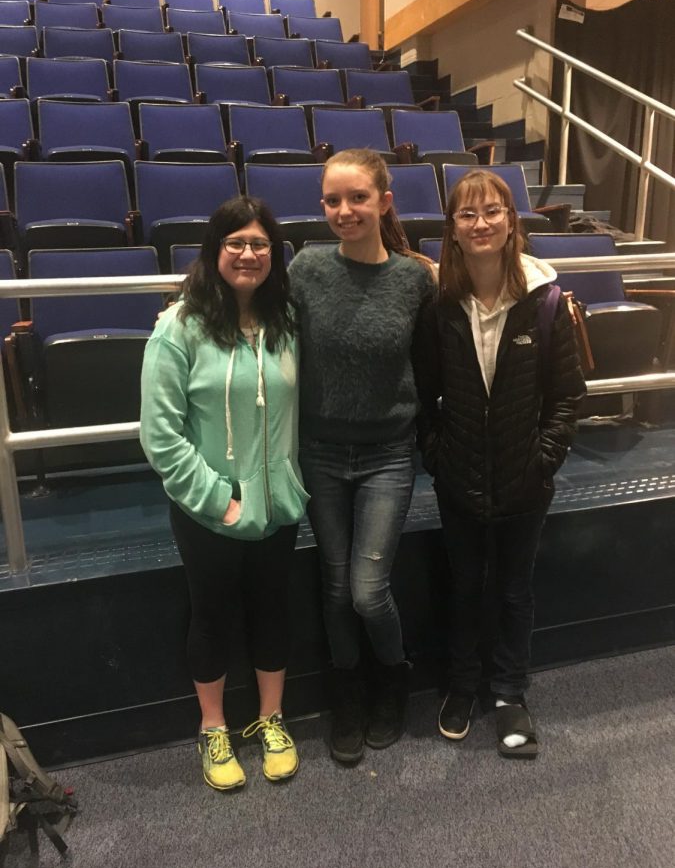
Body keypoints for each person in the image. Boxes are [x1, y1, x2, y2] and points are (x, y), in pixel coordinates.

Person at [413, 169, 586, 759]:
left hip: (524, 481)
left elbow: (567, 395)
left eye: (493, 211)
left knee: (514, 591)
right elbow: (424, 397)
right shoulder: (439, 308)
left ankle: (510, 692)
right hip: (457, 478)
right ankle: (463, 686)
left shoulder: (547, 300)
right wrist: (437, 458)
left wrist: (543, 460)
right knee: (465, 587)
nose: (481, 223)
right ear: (453, 231)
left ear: (512, 222)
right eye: (467, 214)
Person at [140, 196, 308, 790]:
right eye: (235, 243)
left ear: (273, 254)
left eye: (259, 243)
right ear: (214, 252)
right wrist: (219, 499)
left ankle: (271, 719)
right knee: (210, 616)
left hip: (279, 504)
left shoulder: (287, 318)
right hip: (208, 509)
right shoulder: (177, 326)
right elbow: (160, 436)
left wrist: (287, 483)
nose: (247, 254)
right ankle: (213, 728)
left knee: (272, 609)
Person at [288, 148, 436, 764]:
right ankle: (345, 696)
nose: (344, 210)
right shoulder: (304, 268)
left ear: (384, 202)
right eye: (332, 200)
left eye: (357, 198)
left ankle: (392, 682)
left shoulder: (414, 278)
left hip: (387, 455)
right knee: (334, 585)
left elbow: (430, 363)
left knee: (368, 590)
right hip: (320, 451)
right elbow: (243, 301)